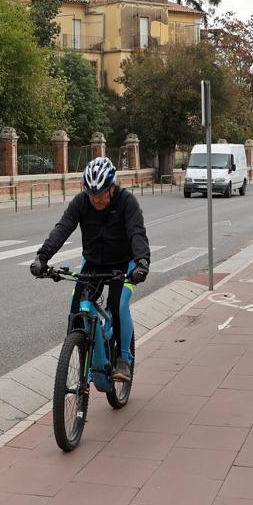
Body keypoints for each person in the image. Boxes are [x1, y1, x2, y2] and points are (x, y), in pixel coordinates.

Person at [30, 156, 149, 382]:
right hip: (93, 263)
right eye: (91, 194)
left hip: (124, 264)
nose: (96, 199)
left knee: (118, 303)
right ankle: (83, 348)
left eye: (101, 194)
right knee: (77, 308)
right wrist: (42, 258)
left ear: (112, 188)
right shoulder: (81, 202)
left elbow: (137, 233)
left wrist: (142, 263)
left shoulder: (127, 202)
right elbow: (62, 228)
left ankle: (123, 359)